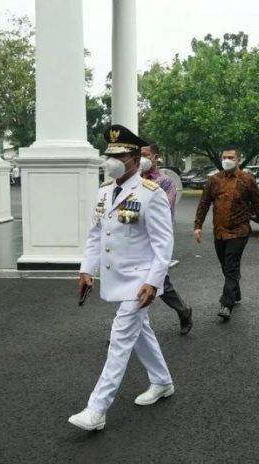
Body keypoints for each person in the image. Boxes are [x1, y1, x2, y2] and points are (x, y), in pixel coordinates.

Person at [69, 125, 175, 431]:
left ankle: (96, 410)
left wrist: (153, 281)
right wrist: (87, 270)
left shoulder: (150, 194)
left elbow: (163, 243)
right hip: (117, 279)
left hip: (139, 281)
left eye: (119, 155)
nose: (111, 160)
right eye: (109, 154)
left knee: (120, 338)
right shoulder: (104, 192)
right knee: (142, 333)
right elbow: (95, 235)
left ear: (134, 158)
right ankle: (162, 381)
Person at [192, 147, 259, 321]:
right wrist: (198, 226)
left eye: (231, 157)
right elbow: (204, 204)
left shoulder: (247, 180)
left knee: (231, 264)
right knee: (226, 266)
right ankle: (236, 293)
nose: (227, 160)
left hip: (239, 231)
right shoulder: (214, 180)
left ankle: (226, 304)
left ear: (238, 160)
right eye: (224, 157)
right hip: (219, 232)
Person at [140, 142, 194, 335]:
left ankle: (183, 311)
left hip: (155, 238)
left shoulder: (164, 182)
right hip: (136, 239)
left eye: (146, 154)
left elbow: (165, 211)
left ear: (156, 157)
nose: (142, 159)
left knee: (158, 279)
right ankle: (183, 311)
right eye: (139, 155)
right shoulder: (133, 179)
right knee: (147, 280)